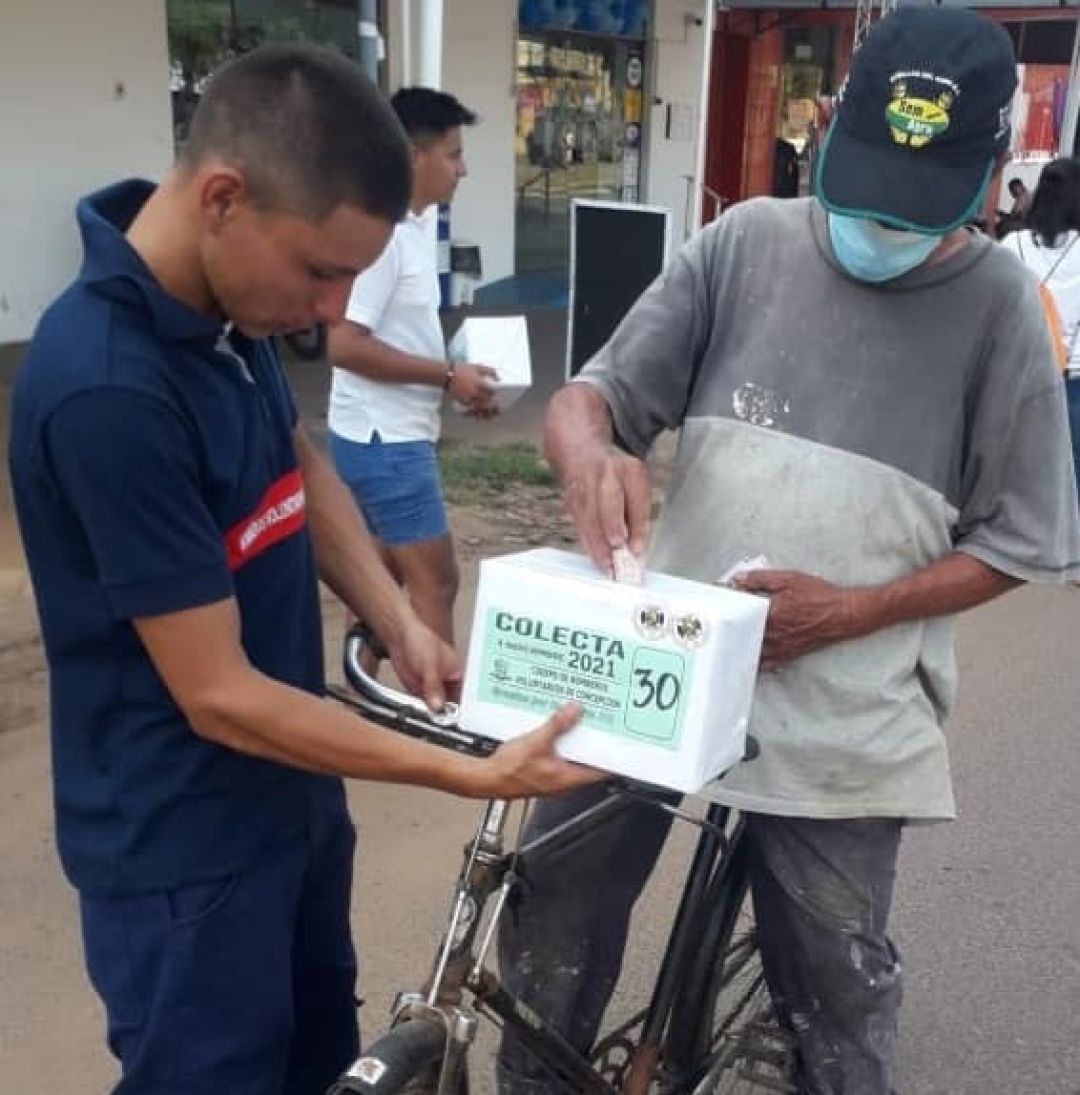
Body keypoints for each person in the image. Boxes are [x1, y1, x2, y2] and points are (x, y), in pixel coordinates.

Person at [496, 10, 1080, 1095]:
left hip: (847, 697)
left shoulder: (1004, 308)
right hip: (663, 662)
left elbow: (1027, 542)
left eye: (913, 206)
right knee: (551, 902)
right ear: (830, 127)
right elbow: (596, 397)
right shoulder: (743, 242)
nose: (876, 227)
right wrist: (588, 455)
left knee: (832, 972)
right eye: (860, 190)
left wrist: (847, 613)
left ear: (990, 171)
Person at [7, 46, 597, 1095]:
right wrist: (470, 771)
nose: (332, 311)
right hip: (183, 856)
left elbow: (296, 456)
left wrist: (397, 616)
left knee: (326, 1063)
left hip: (291, 809)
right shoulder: (106, 390)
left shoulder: (226, 307)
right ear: (224, 197)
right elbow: (221, 696)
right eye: (322, 273)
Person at [327, 87, 495, 664]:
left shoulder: (416, 228)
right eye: (452, 154)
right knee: (436, 582)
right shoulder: (387, 237)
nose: (463, 168)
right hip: (386, 444)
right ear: (412, 157)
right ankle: (437, 723)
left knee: (374, 585)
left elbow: (400, 338)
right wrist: (448, 375)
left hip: (381, 437)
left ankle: (361, 709)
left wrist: (456, 380)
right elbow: (343, 344)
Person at [1000, 157, 1080, 496]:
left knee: (1014, 480)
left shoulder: (1011, 247)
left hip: (1019, 380)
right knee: (1071, 484)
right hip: (1074, 386)